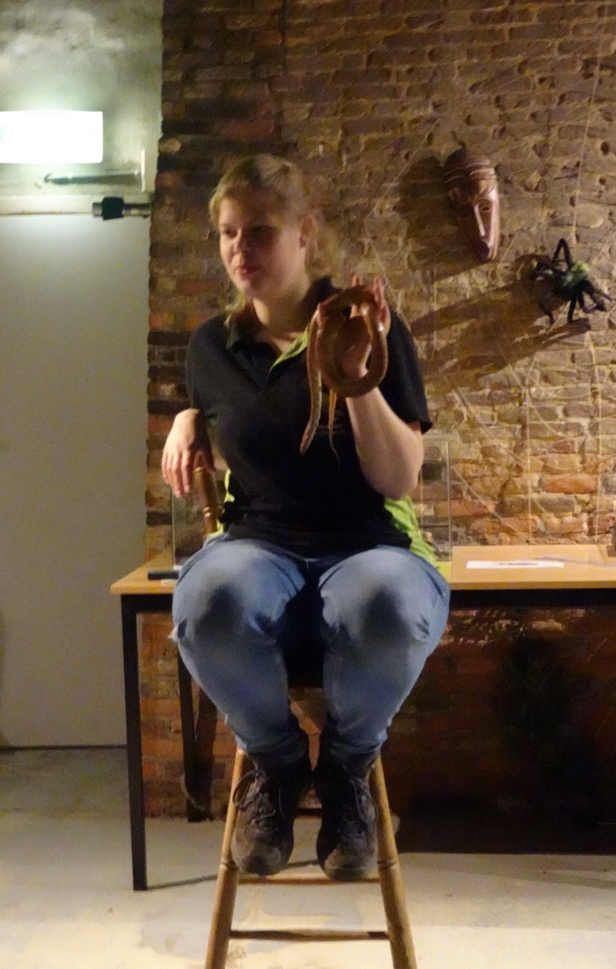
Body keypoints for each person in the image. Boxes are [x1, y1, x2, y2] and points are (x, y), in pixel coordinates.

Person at [161, 154, 450, 881]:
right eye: (228, 234)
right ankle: (278, 764)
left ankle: (347, 771)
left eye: (260, 230)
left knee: (387, 605)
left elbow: (397, 476)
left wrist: (355, 381)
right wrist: (188, 415)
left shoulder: (368, 325)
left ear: (303, 234)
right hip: (260, 545)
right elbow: (222, 409)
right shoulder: (210, 346)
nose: (240, 250)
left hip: (365, 541)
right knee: (206, 602)